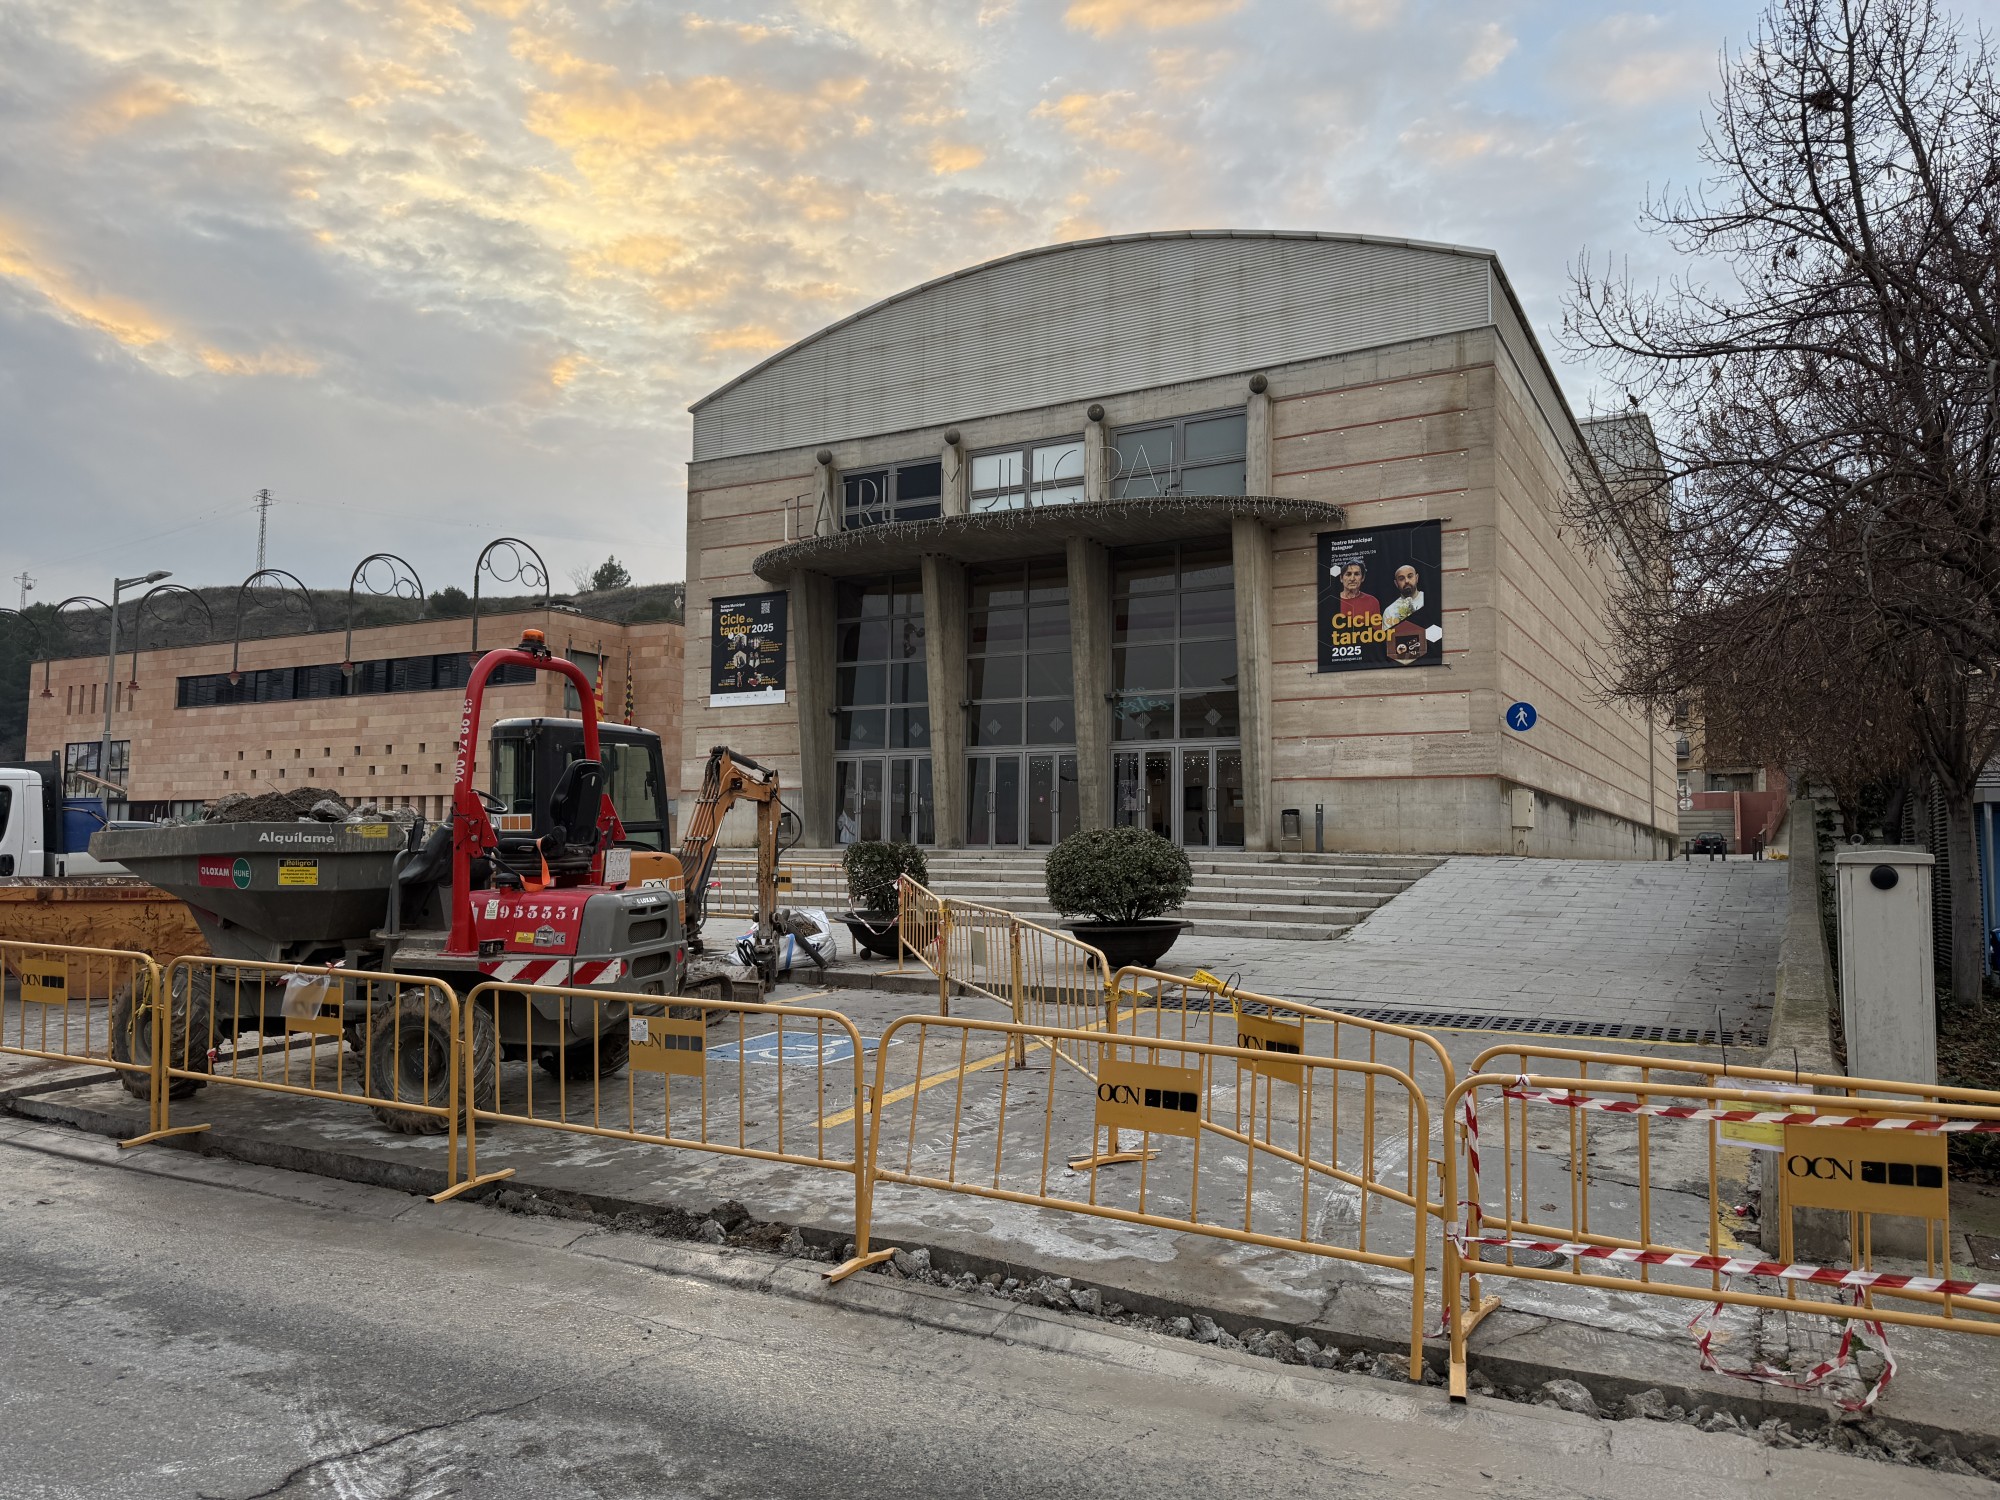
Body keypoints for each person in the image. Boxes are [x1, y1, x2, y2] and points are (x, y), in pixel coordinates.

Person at [1382, 563, 1425, 627]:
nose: (1406, 581)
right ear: (1396, 583)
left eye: (1410, 576)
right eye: (1401, 579)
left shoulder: (1429, 599)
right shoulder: (1389, 611)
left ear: (1416, 578)